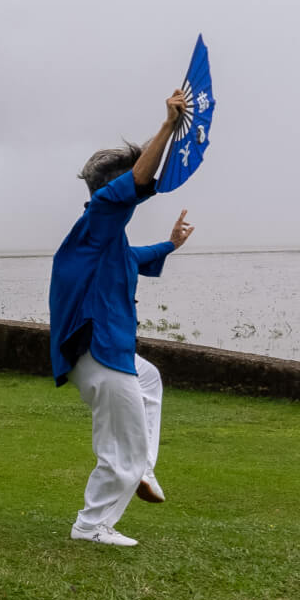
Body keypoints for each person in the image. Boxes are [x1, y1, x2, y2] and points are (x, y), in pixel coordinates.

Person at [48, 90, 196, 548]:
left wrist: (170, 244)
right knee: (121, 454)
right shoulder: (97, 219)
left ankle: (141, 470)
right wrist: (168, 127)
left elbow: (135, 257)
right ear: (114, 191)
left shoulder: (105, 243)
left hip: (102, 353)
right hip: (99, 352)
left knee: (150, 381)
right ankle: (90, 526)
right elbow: (134, 180)